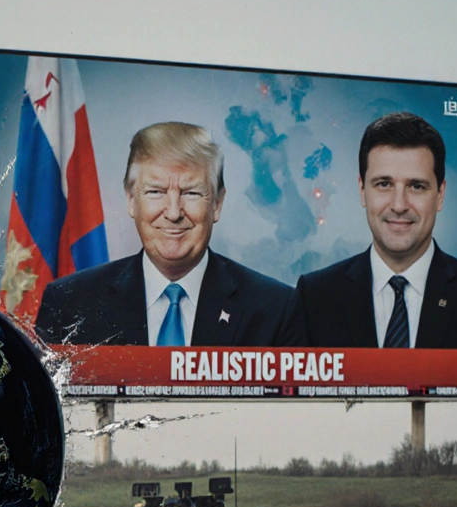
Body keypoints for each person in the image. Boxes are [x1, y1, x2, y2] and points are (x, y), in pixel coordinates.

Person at [35, 121, 296, 347]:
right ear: (131, 201)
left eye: (192, 193)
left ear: (217, 203)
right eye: (155, 192)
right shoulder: (68, 304)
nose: (173, 213)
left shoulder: (275, 310)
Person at [292, 112, 457, 349]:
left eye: (416, 186)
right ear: (362, 190)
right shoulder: (315, 297)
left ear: (440, 195)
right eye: (384, 184)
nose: (399, 205)